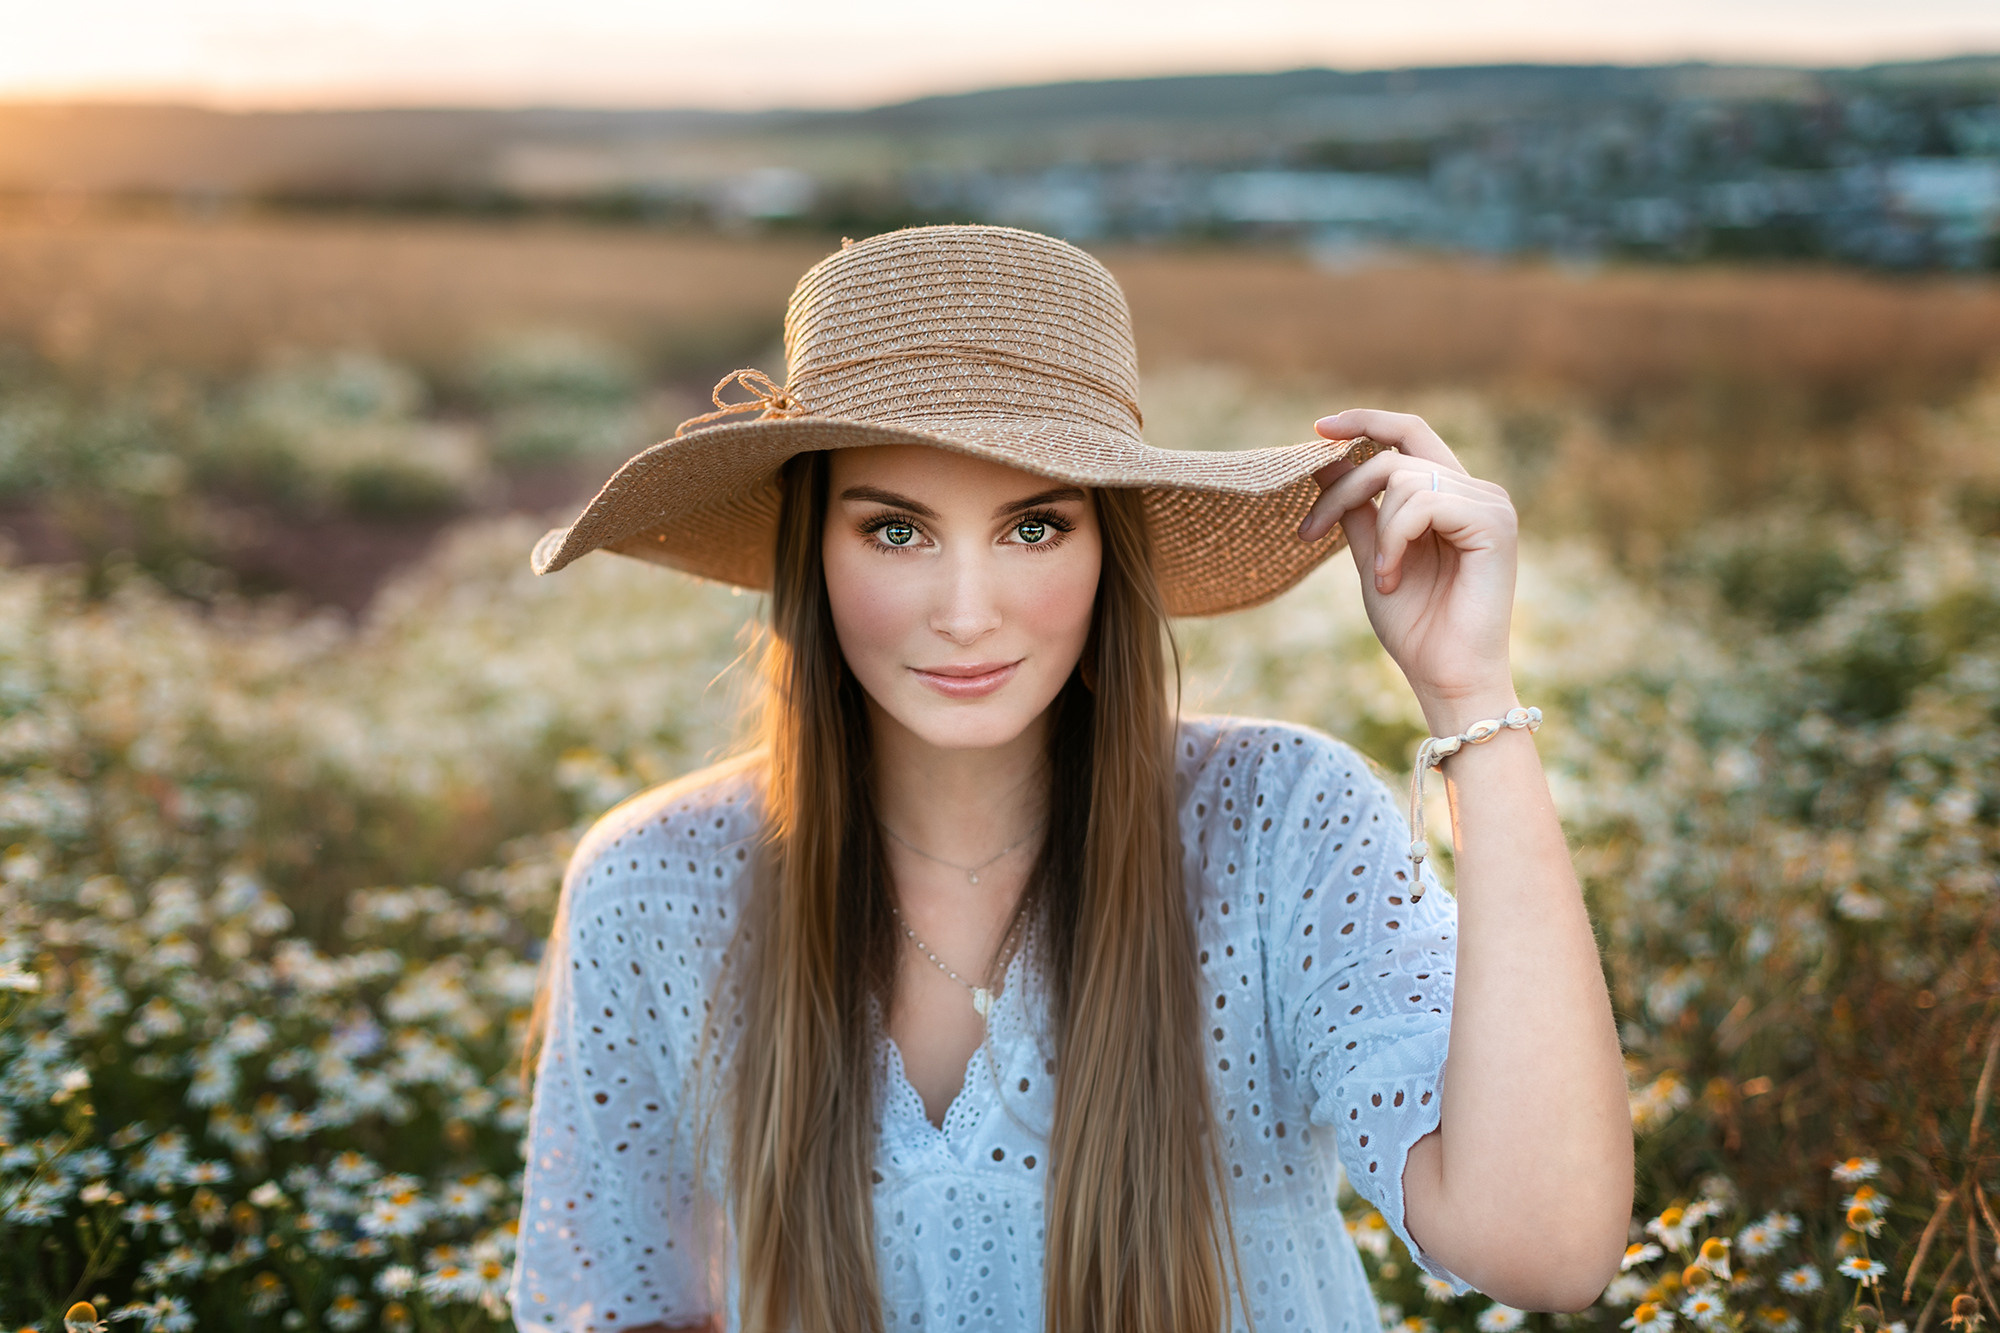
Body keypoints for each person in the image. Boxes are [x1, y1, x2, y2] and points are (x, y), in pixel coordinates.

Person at [507, 224, 1632, 1333]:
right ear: (812, 552)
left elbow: (1543, 1245)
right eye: (894, 532)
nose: (963, 611)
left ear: (1110, 550)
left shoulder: (1280, 824)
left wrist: (1468, 694)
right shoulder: (654, 888)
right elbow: (620, 1306)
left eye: (1033, 526)